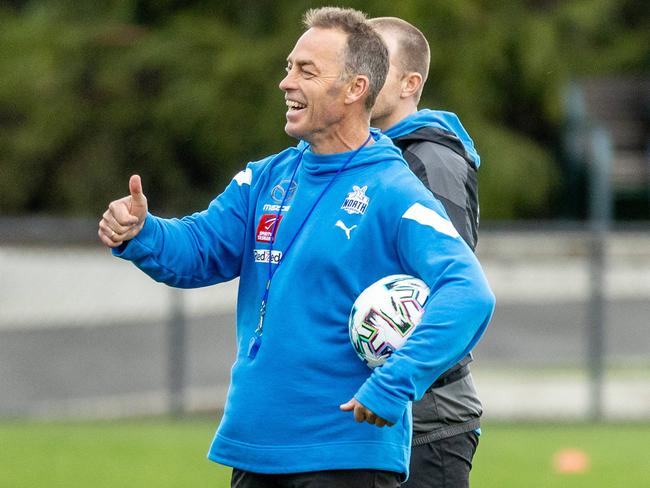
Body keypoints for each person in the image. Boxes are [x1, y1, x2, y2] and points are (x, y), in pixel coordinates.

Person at [98, 7, 494, 488]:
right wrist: (142, 231)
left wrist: (396, 382)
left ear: (355, 89)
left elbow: (469, 292)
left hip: (344, 458)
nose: (286, 82)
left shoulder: (395, 189)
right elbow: (198, 249)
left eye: (306, 71)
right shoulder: (266, 177)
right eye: (289, 67)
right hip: (256, 449)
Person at [369, 17, 484, 488]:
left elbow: (447, 287)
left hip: (428, 420)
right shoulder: (366, 157)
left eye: (377, 64)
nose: (360, 74)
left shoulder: (429, 161)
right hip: (375, 415)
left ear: (409, 83)